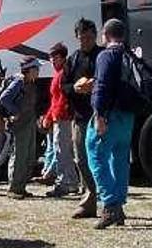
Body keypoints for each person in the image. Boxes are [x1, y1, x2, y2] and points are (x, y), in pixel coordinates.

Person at [87, 19, 137, 230]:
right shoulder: (130, 54)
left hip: (110, 114)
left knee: (96, 154)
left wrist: (99, 114)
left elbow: (102, 86)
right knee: (120, 160)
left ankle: (110, 205)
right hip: (128, 116)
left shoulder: (106, 55)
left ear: (105, 35)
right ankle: (119, 204)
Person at [62, 18, 102, 219]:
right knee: (81, 159)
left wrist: (95, 84)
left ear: (95, 35)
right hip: (79, 117)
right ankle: (90, 196)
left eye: (88, 37)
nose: (85, 40)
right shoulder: (73, 59)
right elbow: (64, 86)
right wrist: (75, 88)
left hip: (99, 116)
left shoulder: (102, 56)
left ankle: (99, 199)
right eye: (81, 37)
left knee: (100, 159)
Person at [0, 56, 42, 199]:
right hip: (20, 123)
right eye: (36, 68)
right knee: (19, 155)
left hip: (29, 121)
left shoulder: (30, 82)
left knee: (29, 155)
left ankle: (21, 186)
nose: (38, 71)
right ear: (29, 70)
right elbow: (4, 98)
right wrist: (15, 112)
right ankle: (14, 188)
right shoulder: (18, 82)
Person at [40, 43, 79, 198]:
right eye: (51, 58)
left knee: (62, 151)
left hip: (63, 117)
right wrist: (49, 115)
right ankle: (72, 182)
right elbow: (54, 99)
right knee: (63, 151)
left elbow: (62, 98)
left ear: (63, 58)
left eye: (55, 57)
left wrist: (53, 115)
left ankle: (65, 183)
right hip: (58, 116)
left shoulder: (63, 74)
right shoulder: (58, 74)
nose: (52, 61)